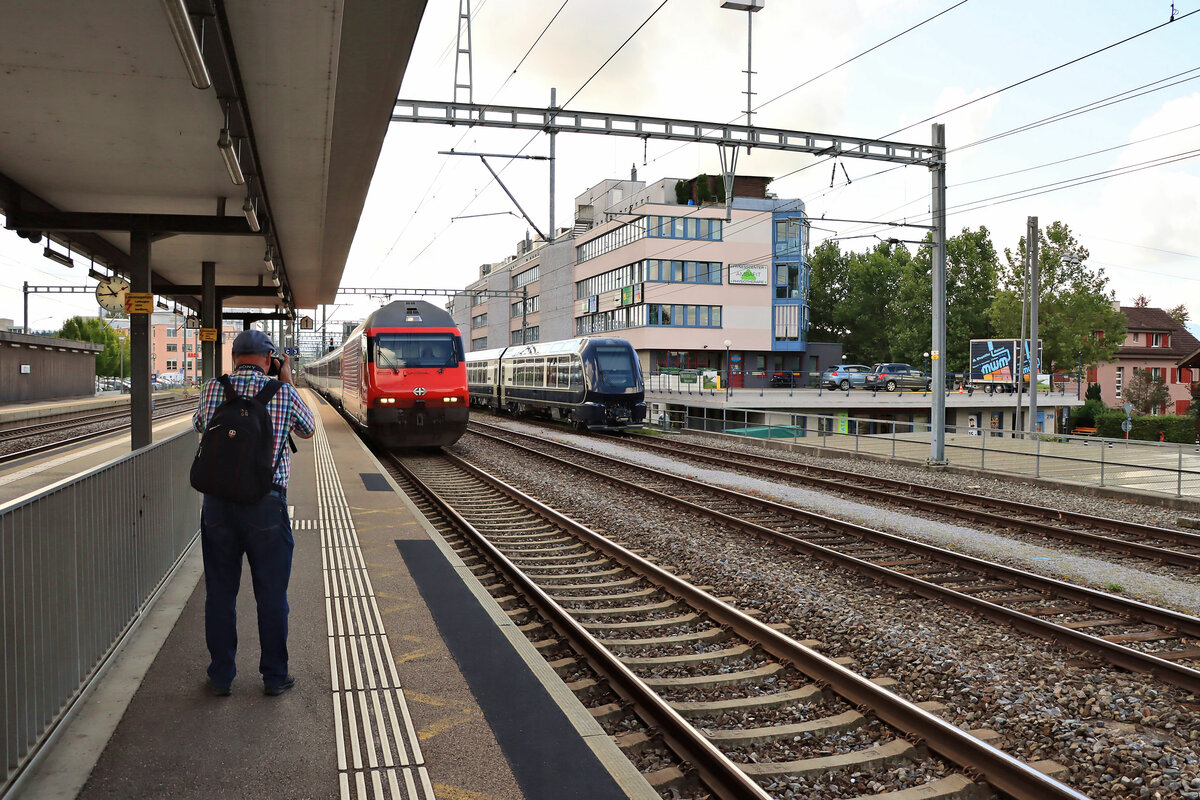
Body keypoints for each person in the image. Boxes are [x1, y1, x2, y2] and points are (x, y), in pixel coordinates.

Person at [192, 330, 315, 697]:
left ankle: (221, 677)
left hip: (218, 506)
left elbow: (200, 425)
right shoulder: (284, 391)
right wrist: (286, 378)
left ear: (234, 358)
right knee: (271, 595)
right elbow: (307, 431)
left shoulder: (215, 388)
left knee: (220, 593)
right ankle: (275, 677)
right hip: (266, 505)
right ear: (270, 359)